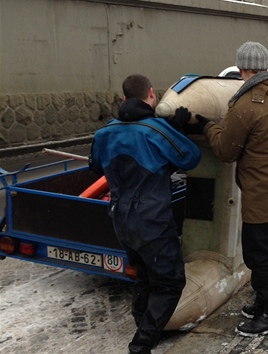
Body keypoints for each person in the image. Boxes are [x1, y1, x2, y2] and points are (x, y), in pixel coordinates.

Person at [177, 42, 268, 337]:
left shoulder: (247, 104)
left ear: (241, 69)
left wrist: (207, 125)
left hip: (263, 197)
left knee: (260, 258)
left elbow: (225, 150)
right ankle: (263, 302)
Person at [89, 74, 202, 354]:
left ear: (124, 97)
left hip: (121, 220)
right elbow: (191, 158)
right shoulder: (156, 131)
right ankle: (142, 344)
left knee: (144, 276)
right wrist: (177, 128)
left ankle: (144, 327)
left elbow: (94, 166)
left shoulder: (105, 132)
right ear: (151, 93)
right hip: (152, 221)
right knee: (170, 282)